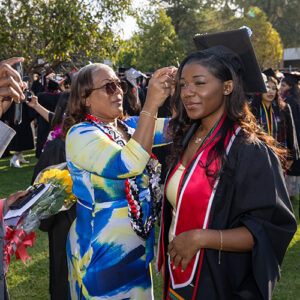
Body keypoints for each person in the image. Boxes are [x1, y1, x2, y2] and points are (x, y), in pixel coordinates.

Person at [156, 29, 297, 300]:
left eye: (199, 83)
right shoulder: (189, 137)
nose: (188, 93)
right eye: (183, 84)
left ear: (227, 86)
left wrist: (201, 238)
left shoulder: (249, 150)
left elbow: (268, 229)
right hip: (178, 277)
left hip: (219, 281)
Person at [63, 63, 174, 299]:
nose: (119, 91)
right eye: (108, 87)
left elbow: (179, 129)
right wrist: (152, 103)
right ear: (86, 99)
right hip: (99, 254)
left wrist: (179, 92)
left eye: (119, 84)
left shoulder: (130, 126)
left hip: (137, 249)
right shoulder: (80, 135)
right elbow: (128, 163)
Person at [251, 73, 299, 169]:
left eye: (274, 88)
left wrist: (291, 156)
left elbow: (291, 133)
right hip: (258, 156)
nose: (271, 91)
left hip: (279, 156)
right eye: (268, 87)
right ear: (261, 89)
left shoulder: (284, 108)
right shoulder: (253, 109)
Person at [280, 73, 300, 202]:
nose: (281, 87)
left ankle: (289, 197)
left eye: (284, 85)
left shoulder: (289, 102)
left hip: (295, 139)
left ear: (290, 87)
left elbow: (294, 125)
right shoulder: (296, 99)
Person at [35, 78, 61, 158]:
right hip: (56, 119)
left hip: (43, 119)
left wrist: (35, 119)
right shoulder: (61, 95)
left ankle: (41, 155)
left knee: (43, 138)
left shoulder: (41, 95)